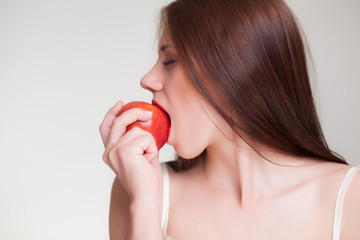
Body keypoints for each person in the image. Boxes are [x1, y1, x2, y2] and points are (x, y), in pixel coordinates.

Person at [99, 0, 360, 239]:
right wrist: (145, 202)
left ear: (236, 69)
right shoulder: (140, 191)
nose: (147, 80)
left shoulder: (349, 198)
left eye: (170, 60)